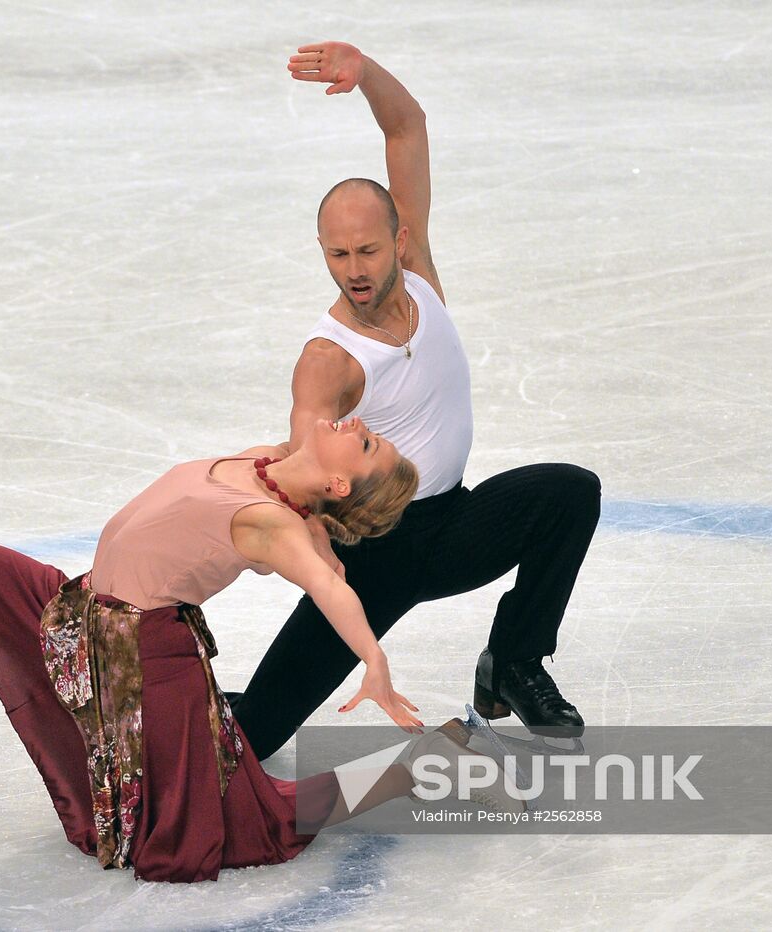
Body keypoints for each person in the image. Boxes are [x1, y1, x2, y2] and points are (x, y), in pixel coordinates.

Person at [230, 42, 603, 760]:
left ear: (399, 239)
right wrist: (320, 560)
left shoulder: (421, 275)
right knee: (254, 736)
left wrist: (364, 72)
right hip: (376, 557)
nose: (355, 272)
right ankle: (185, 705)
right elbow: (308, 465)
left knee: (567, 495)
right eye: (337, 257)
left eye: (368, 252)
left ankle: (514, 664)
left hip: (455, 523)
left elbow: (407, 130)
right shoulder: (329, 361)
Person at [0, 417, 428, 882]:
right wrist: (322, 527)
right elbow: (311, 422)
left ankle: (410, 776)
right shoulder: (262, 463)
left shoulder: (270, 524)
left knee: (258, 820)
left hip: (142, 665)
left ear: (340, 485)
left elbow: (330, 589)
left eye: (366, 443)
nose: (357, 424)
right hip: (76, 616)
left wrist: (374, 662)